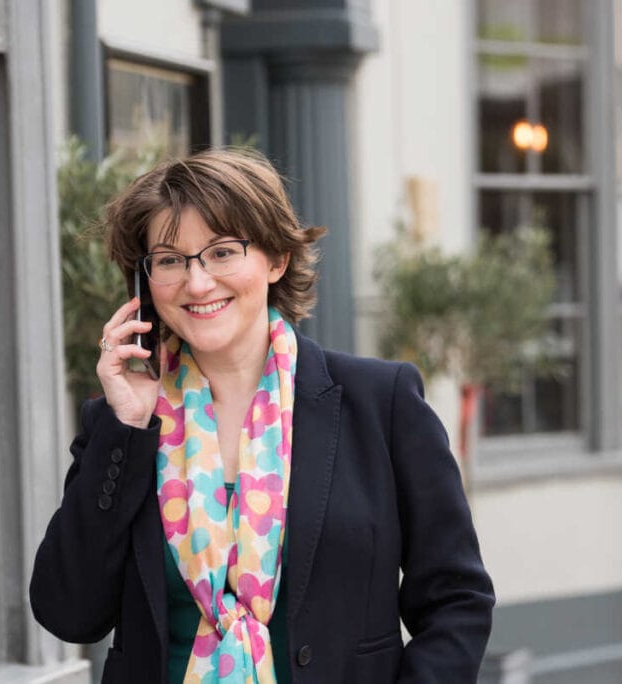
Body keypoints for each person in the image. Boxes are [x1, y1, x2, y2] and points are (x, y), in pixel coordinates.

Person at [30, 148, 494, 683]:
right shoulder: (123, 424)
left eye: (222, 252)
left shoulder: (379, 402)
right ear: (145, 283)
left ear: (276, 259)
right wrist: (127, 426)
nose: (197, 282)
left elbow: (457, 598)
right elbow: (68, 612)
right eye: (170, 259)